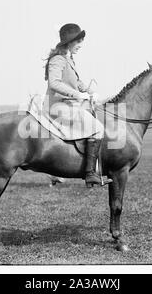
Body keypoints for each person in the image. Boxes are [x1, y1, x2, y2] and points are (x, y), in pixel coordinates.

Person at [43, 23, 105, 187]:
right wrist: (78, 94)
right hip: (57, 106)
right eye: (78, 42)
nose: (80, 46)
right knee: (98, 128)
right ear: (69, 42)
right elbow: (54, 83)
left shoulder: (69, 60)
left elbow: (77, 82)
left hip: (68, 105)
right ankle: (90, 173)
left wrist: (90, 92)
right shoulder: (57, 59)